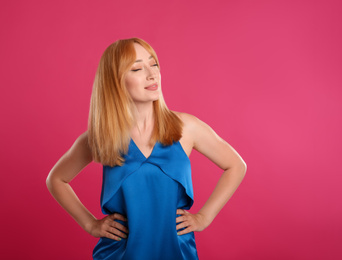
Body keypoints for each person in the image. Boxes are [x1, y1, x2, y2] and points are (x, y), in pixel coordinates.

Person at [46, 37, 246, 260]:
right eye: (137, 68)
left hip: (176, 251)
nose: (152, 74)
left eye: (154, 64)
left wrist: (204, 218)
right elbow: (56, 179)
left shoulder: (186, 128)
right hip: (120, 253)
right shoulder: (99, 138)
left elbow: (236, 165)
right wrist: (90, 224)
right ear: (115, 81)